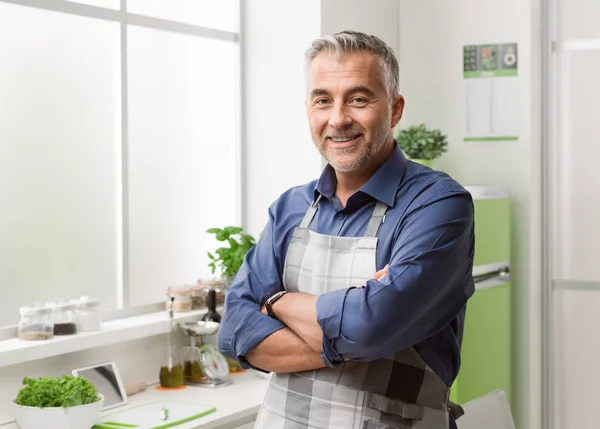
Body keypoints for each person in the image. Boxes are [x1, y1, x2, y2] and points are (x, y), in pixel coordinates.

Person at [217, 30, 475, 429]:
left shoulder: (437, 205)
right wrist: (351, 335)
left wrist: (278, 302)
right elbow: (234, 332)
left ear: (395, 109)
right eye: (323, 100)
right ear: (308, 110)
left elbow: (369, 326)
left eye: (358, 98)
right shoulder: (290, 208)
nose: (338, 118)